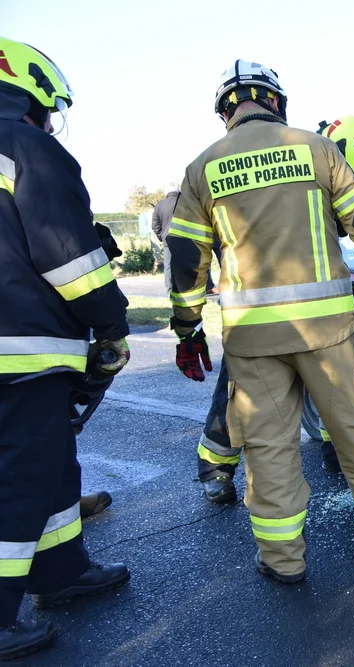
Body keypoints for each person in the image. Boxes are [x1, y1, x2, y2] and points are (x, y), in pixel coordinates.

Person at [168, 60, 354, 584]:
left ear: (225, 113)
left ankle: (282, 562)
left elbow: (187, 257)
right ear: (276, 102)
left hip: (253, 338)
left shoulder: (202, 167)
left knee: (268, 452)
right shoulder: (316, 148)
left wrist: (186, 328)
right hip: (330, 332)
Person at [0, 37, 131, 660]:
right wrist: (110, 322)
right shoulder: (27, 147)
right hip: (21, 352)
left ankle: (59, 573)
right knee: (20, 478)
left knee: (51, 466)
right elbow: (70, 259)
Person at [191, 114, 354, 505]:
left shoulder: (309, 160)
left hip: (292, 314)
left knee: (330, 384)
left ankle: (333, 451)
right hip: (261, 310)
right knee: (238, 397)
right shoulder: (296, 162)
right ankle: (216, 466)